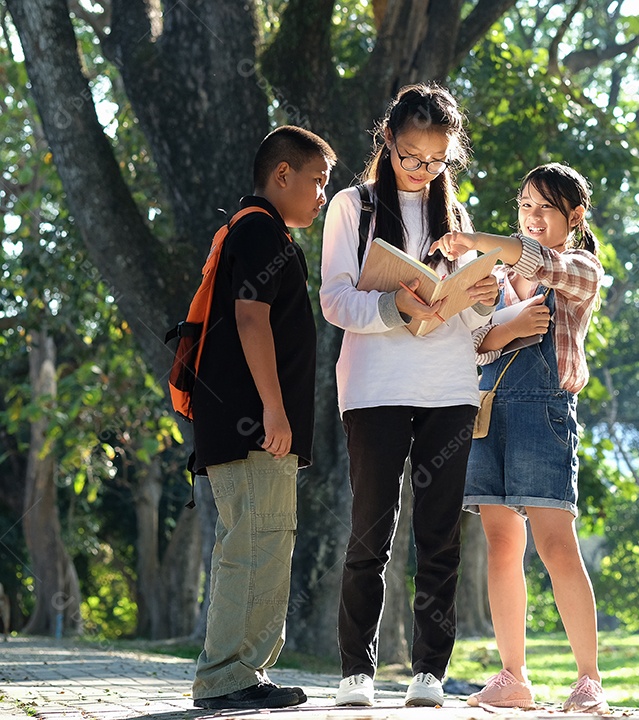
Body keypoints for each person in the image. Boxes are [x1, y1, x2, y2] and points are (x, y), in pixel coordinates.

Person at [320, 83, 498, 708]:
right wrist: (394, 306)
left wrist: (484, 299)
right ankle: (356, 672)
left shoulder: (457, 218)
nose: (423, 170)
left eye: (437, 160)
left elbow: (471, 322)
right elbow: (335, 300)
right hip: (374, 388)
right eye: (411, 157)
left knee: (440, 536)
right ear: (388, 141)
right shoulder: (353, 206)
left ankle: (429, 673)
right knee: (371, 533)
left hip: (450, 386)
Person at [430, 163, 608, 713]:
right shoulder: (499, 278)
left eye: (545, 207)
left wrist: (473, 242)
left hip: (544, 413)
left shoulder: (580, 269)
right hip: (488, 412)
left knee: (556, 545)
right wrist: (507, 327)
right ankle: (513, 676)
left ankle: (588, 680)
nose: (532, 216)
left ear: (574, 217)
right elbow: (472, 341)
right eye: (525, 205)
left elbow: (540, 261)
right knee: (501, 544)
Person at [190, 125, 336, 710]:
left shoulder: (261, 231)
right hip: (253, 427)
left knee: (257, 543)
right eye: (317, 181)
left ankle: (240, 674)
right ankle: (228, 677)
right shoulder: (258, 230)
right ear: (282, 174)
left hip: (250, 428)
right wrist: (275, 411)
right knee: (255, 546)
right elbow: (251, 319)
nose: (322, 195)